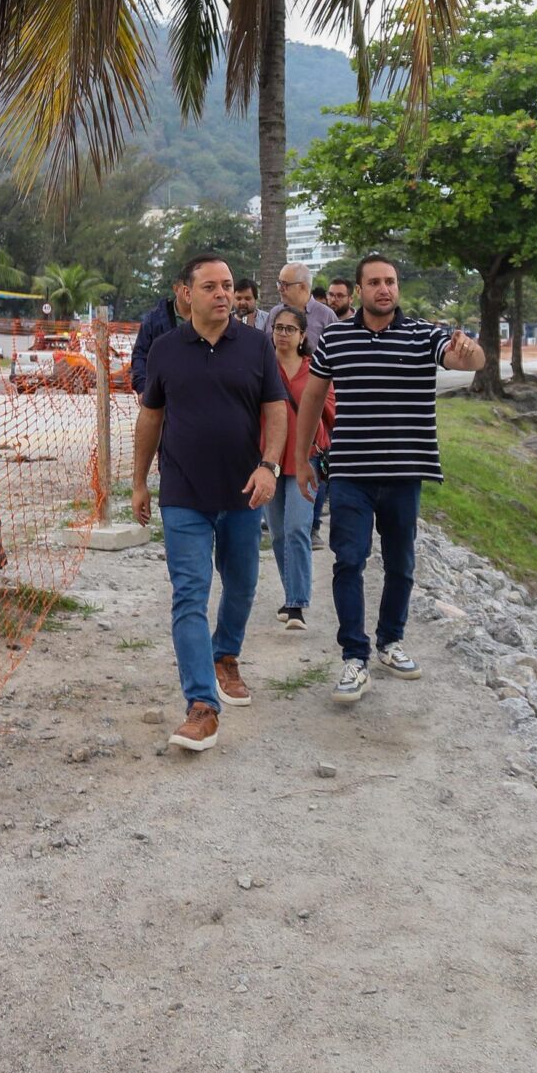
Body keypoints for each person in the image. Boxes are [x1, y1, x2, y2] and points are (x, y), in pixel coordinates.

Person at [293, 253, 484, 706]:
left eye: (391, 281)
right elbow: (313, 399)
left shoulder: (425, 335)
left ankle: (390, 642)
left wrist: (469, 349)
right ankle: (354, 657)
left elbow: (469, 360)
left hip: (405, 472)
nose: (385, 289)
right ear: (359, 290)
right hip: (351, 474)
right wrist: (302, 459)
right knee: (348, 561)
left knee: (401, 565)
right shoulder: (336, 338)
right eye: (375, 282)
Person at [132, 252, 288, 753]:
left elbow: (277, 410)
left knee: (241, 585)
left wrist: (270, 466)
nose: (222, 294)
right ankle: (201, 705)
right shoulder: (165, 351)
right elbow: (150, 419)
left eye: (226, 286)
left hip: (244, 493)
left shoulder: (257, 347)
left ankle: (225, 656)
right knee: (189, 595)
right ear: (186, 293)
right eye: (210, 287)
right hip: (183, 495)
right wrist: (139, 482)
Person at [263, 307, 330, 631]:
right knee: (277, 534)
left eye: (291, 329)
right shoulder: (262, 369)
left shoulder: (315, 369)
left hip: (307, 461)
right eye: (279, 328)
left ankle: (297, 604)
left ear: (303, 335)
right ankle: (291, 595)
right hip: (269, 459)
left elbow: (331, 409)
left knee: (296, 529)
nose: (283, 334)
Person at [262, 263, 338, 354]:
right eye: (279, 283)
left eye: (285, 284)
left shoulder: (326, 315)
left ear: (303, 287)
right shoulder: (274, 313)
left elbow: (336, 351)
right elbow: (262, 347)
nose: (280, 289)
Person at [128, 289, 180, 395]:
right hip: (162, 396)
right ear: (177, 289)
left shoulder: (212, 320)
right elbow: (140, 355)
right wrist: (142, 387)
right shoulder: (154, 320)